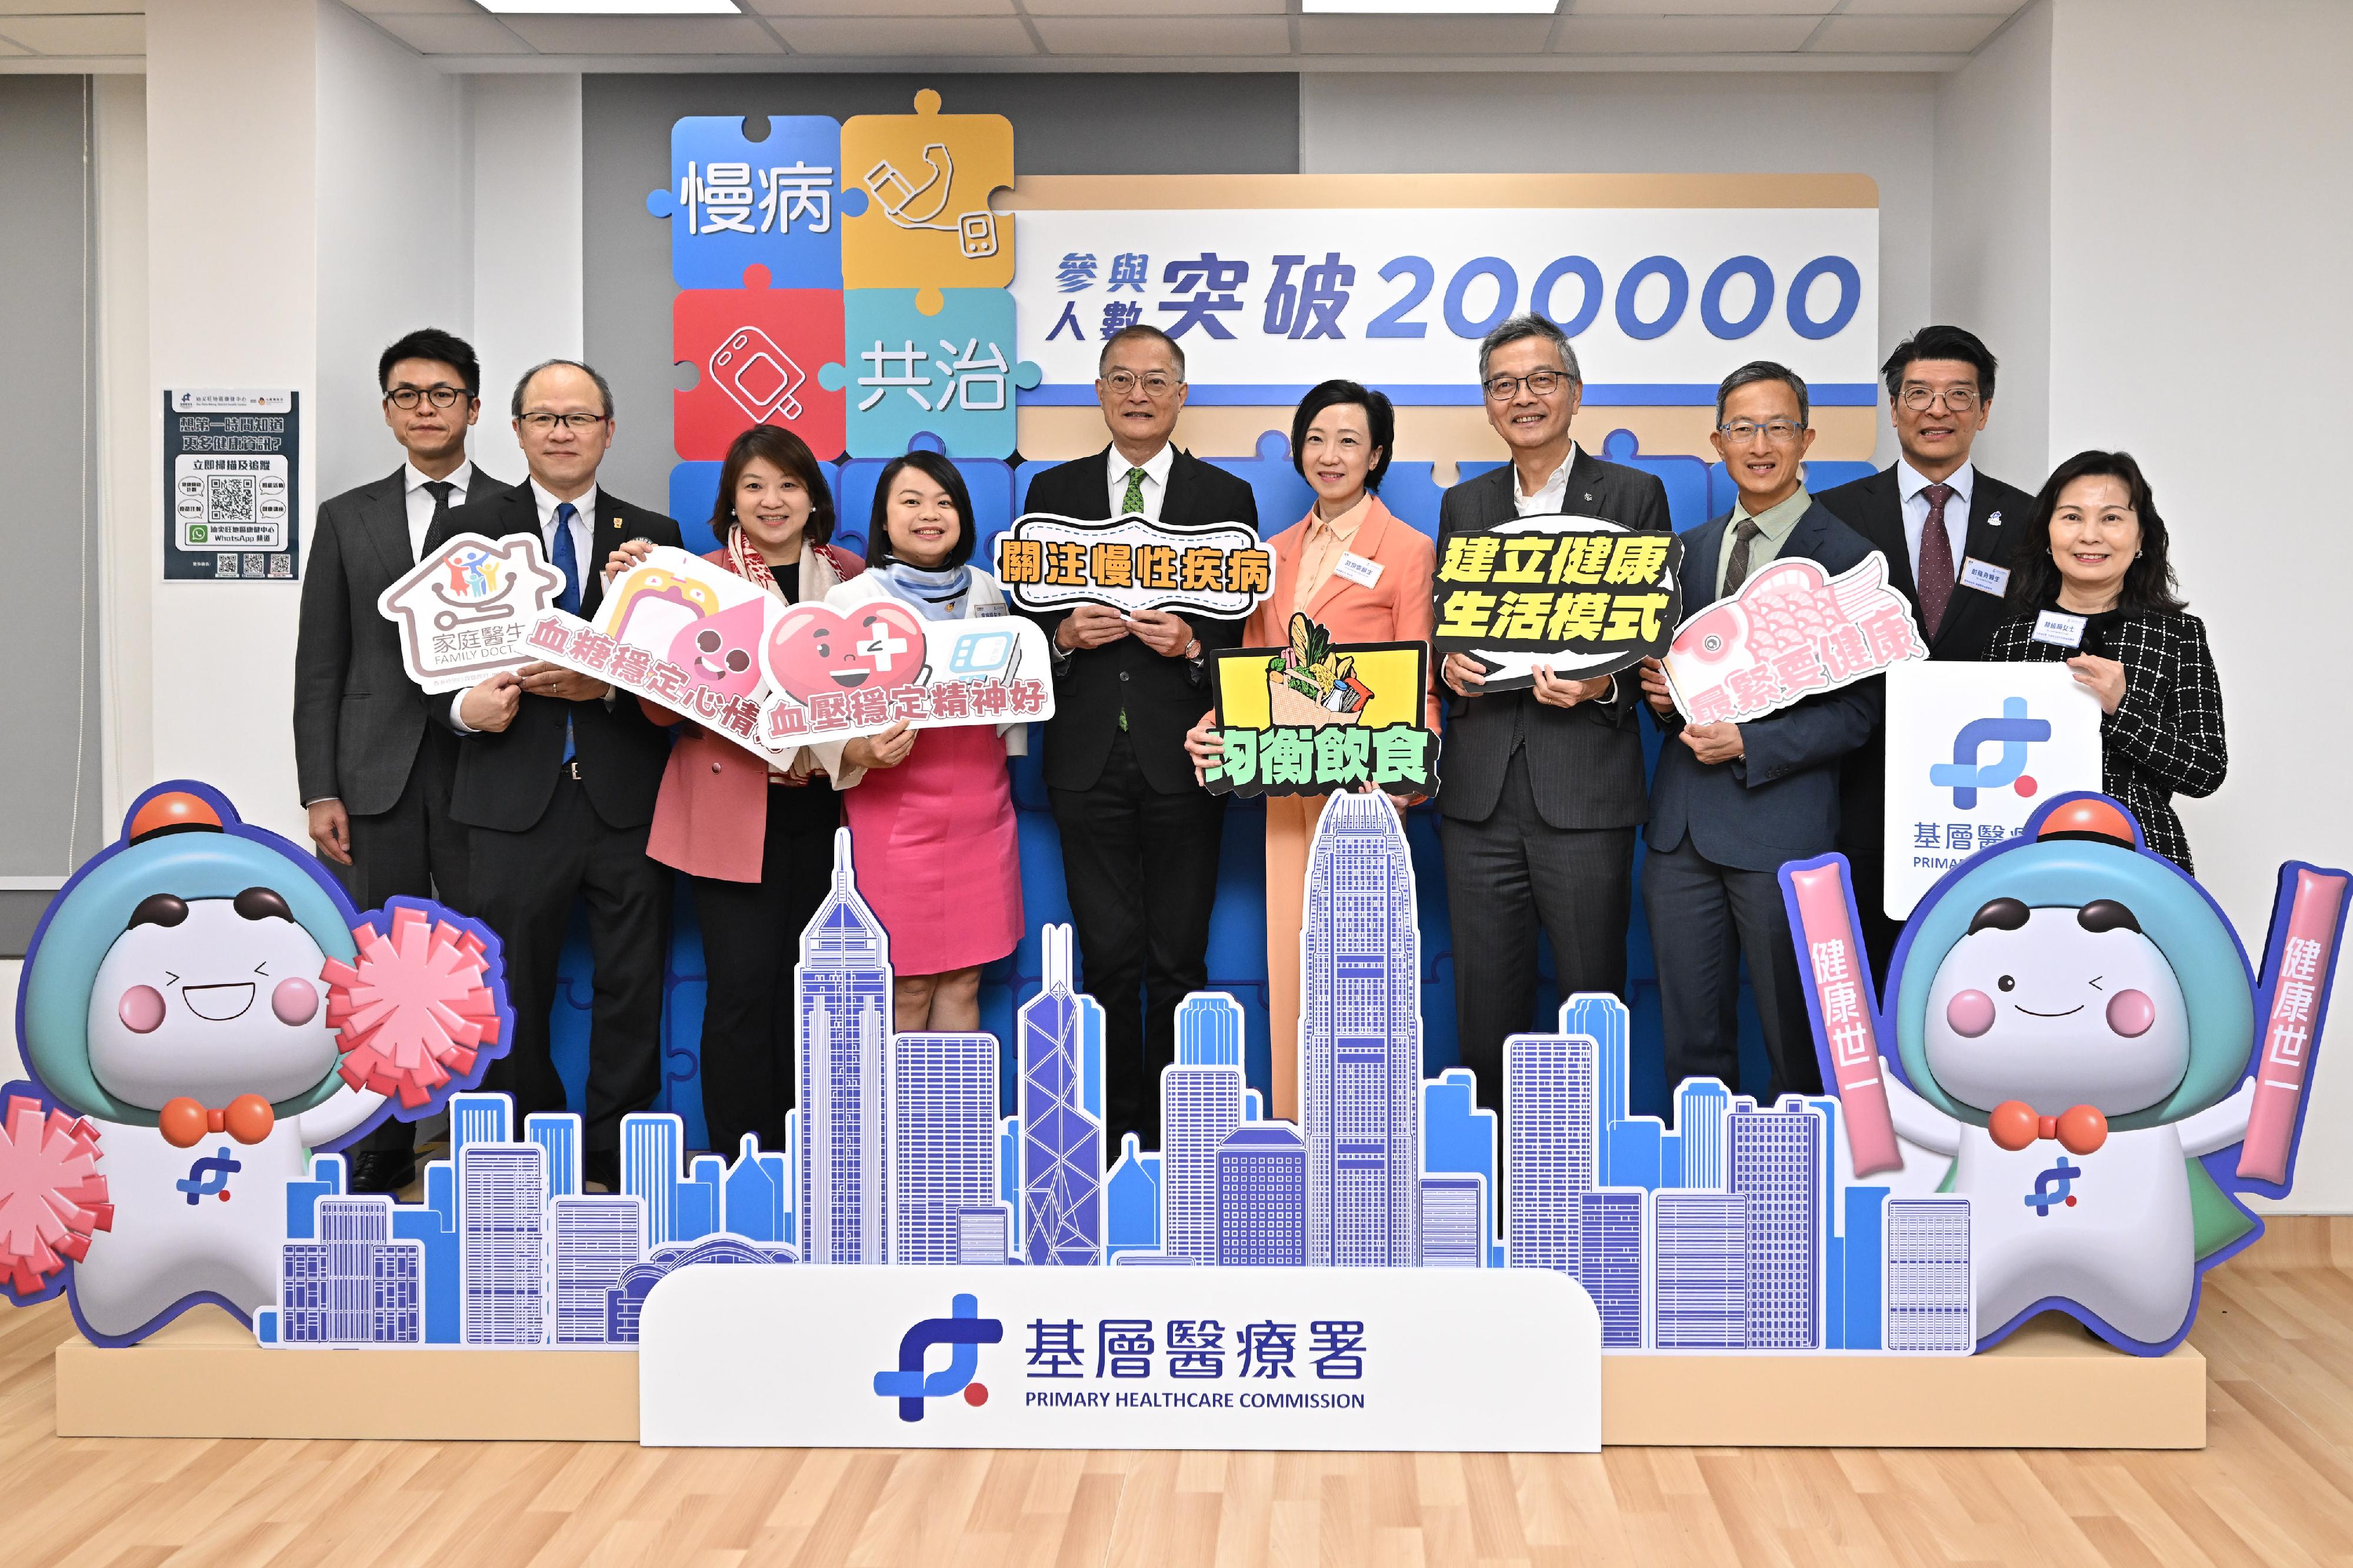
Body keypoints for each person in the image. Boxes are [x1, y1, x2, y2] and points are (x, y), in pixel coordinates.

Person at [428, 359, 682, 1193]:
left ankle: (618, 1154)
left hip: (626, 797)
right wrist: (465, 709)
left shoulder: (655, 536)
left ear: (609, 430)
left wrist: (604, 686)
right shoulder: (467, 529)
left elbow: (684, 672)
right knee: (510, 986)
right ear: (516, 430)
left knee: (632, 984)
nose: (562, 432)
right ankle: (522, 1151)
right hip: (509, 798)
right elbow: (422, 662)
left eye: (579, 417)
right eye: (544, 417)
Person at [1019, 323, 1259, 1152]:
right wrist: (1062, 638)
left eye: (1156, 380)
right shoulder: (1051, 491)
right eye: (1121, 378)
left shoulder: (1224, 498)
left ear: (1181, 394)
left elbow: (1245, 636)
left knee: (1180, 961)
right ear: (1099, 391)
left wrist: (1192, 646)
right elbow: (1022, 628)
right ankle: (1116, 1137)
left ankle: (1180, 1137)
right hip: (1085, 758)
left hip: (1186, 756)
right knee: (1109, 961)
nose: (1138, 394)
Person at [1434, 314, 1671, 1125]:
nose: (1523, 397)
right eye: (1504, 384)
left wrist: (1603, 686)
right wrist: (1448, 666)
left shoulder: (1633, 494)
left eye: (1541, 380)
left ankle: (1592, 1163)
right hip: (1479, 795)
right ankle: (1491, 1167)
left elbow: (1655, 631)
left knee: (1590, 997)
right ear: (1488, 402)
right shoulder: (1464, 502)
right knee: (1484, 1003)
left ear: (1573, 391)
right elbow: (1447, 622)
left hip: (1585, 790)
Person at [602, 426, 862, 1160]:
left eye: (788, 484)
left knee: (812, 989)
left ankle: (807, 1149)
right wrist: (636, 602)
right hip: (733, 806)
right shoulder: (697, 580)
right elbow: (657, 712)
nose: (771, 500)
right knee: (742, 988)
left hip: (828, 807)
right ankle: (740, 1159)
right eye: (753, 486)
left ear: (813, 497)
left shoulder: (852, 578)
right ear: (731, 501)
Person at [1183, 381, 1438, 1122]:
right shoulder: (1272, 555)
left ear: (1376, 455)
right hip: (1287, 785)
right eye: (1317, 438)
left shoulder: (1408, 549)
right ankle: (1295, 1131)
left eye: (1349, 441)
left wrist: (1406, 780)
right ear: (1297, 450)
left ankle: (1365, 1142)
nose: (1330, 455)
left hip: (1366, 792)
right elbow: (1255, 671)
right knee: (1291, 956)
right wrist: (1213, 726)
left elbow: (1421, 677)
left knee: (1359, 969)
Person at [293, 326, 510, 1193]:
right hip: (373, 777)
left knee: (479, 958)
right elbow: (321, 663)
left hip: (486, 774)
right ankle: (382, 1139)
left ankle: (481, 1135)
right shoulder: (346, 517)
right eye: (408, 395)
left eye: (443, 393)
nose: (426, 408)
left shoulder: (513, 512)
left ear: (474, 407)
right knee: (380, 963)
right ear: (388, 411)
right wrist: (320, 788)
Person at [1638, 362, 1881, 1103]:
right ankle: (1701, 1164)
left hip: (1782, 829)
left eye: (1778, 426)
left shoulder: (1847, 553)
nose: (1760, 443)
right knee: (1689, 1039)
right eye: (1742, 428)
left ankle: (1797, 1168)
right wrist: (1663, 699)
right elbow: (1675, 679)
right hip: (1680, 833)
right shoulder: (1687, 549)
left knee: (1793, 1038)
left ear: (1807, 438)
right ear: (1717, 442)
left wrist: (1752, 742)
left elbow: (1862, 709)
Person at [1815, 325, 2041, 980]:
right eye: (1918, 393)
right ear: (1894, 408)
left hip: (1991, 799)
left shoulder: (2030, 522)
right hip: (1862, 793)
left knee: (1983, 979)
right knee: (1869, 979)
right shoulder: (1830, 516)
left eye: (1958, 395)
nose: (1937, 410)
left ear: (1984, 410)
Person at [818, 451, 1024, 1033]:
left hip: (982, 810)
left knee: (964, 978)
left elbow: (1012, 695)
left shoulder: (987, 589)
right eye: (911, 501)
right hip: (894, 811)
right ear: (884, 519)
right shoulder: (851, 601)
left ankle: (948, 1099)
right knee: (905, 982)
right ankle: (891, 1100)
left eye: (944, 502)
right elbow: (823, 715)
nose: (929, 514)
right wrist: (860, 750)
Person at [1986, 451, 2224, 872]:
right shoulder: (2010, 640)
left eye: (2111, 518)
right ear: (2047, 535)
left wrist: (2124, 709)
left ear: (2141, 538)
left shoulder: (2177, 636)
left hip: (2143, 856)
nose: (2090, 536)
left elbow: (2204, 771)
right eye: (2072, 517)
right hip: (2027, 856)